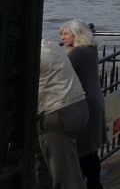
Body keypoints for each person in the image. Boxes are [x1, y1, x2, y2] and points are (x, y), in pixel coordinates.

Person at [36, 38, 88, 189]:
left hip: (57, 113)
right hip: (78, 105)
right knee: (43, 165)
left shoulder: (35, 53)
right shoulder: (49, 45)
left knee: (65, 175)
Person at [60, 20, 106, 189]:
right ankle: (94, 183)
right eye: (62, 34)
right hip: (94, 100)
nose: (62, 37)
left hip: (84, 103)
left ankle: (91, 184)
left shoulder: (78, 53)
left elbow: (61, 71)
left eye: (66, 34)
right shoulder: (90, 50)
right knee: (90, 149)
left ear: (76, 35)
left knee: (83, 149)